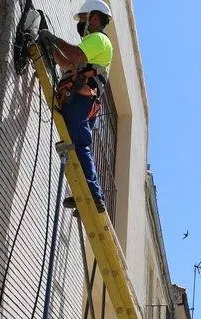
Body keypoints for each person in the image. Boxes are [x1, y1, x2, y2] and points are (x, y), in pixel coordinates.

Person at [39, 0, 114, 213]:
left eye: (83, 19)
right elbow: (66, 63)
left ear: (95, 17)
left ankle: (93, 195)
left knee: (80, 145)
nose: (81, 24)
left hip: (82, 99)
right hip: (82, 99)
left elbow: (74, 55)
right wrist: (51, 47)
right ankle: (85, 194)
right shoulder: (91, 46)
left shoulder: (98, 39)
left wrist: (54, 39)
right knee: (77, 145)